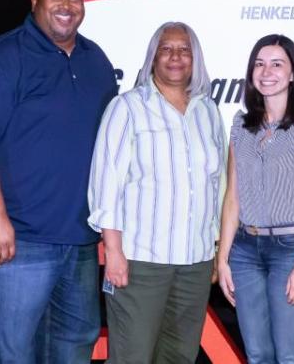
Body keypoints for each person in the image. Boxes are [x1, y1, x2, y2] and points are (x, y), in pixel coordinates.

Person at [0, 0, 118, 363]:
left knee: (73, 348)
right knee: (9, 352)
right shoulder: (2, 57)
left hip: (79, 240)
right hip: (17, 241)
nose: (67, 5)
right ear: (34, 2)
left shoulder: (95, 60)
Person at [87, 22, 225, 364]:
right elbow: (107, 184)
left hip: (195, 261)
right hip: (140, 262)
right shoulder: (128, 108)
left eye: (184, 50)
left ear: (195, 59)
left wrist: (216, 247)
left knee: (179, 356)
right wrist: (114, 252)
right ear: (152, 58)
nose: (175, 57)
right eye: (166, 49)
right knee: (132, 356)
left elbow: (217, 184)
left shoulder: (207, 110)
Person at [216, 34, 294, 363]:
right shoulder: (241, 127)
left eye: (277, 64)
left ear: (293, 73)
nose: (267, 71)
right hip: (244, 252)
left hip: (293, 250)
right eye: (259, 64)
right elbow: (232, 199)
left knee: (292, 356)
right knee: (258, 354)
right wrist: (223, 259)